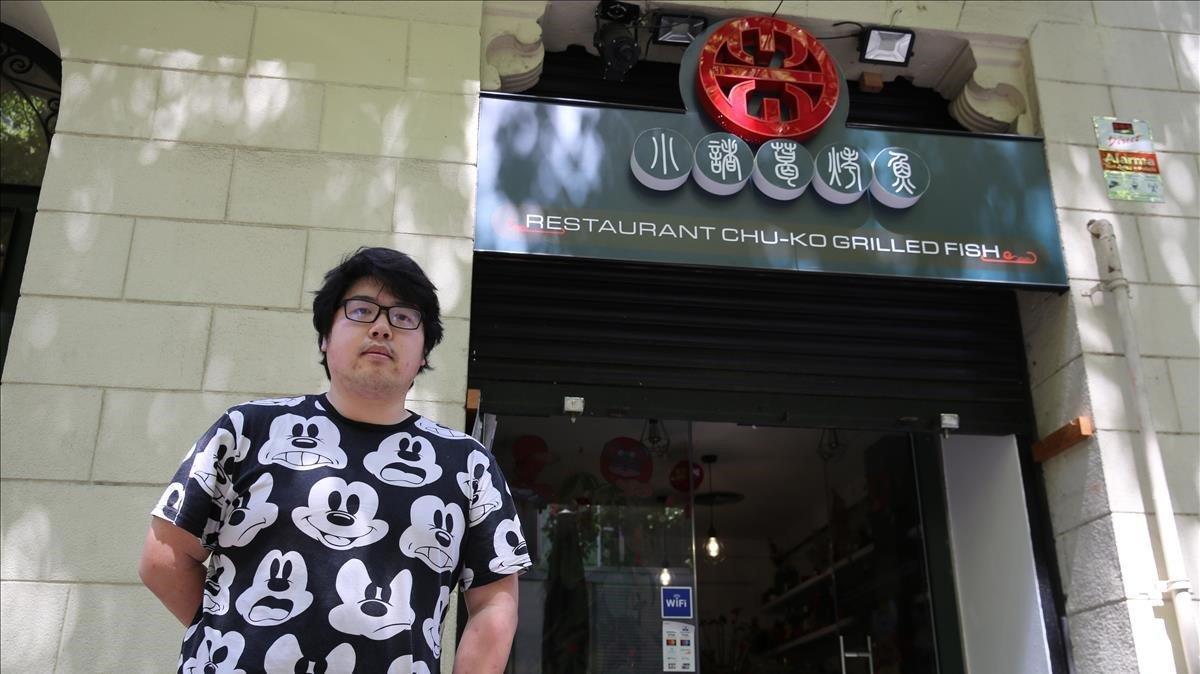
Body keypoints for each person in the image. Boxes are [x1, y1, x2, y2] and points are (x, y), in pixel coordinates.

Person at [138, 247, 531, 674]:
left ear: (425, 355)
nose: (381, 328)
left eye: (403, 317)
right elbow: (163, 558)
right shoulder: (246, 430)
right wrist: (235, 632)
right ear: (325, 338)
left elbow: (494, 603)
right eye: (362, 310)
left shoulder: (468, 464)